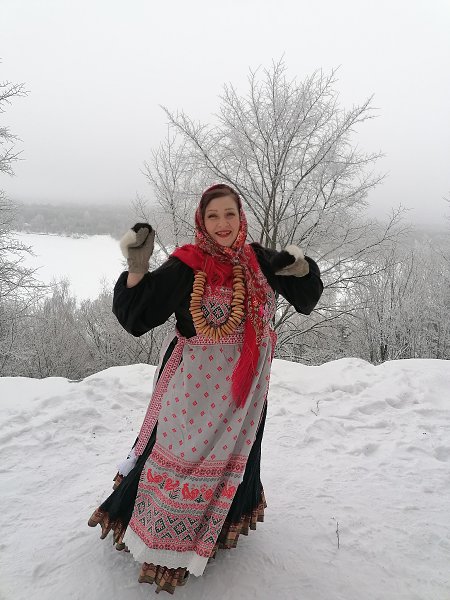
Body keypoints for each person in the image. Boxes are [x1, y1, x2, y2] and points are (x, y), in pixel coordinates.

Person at [88, 183, 323, 594]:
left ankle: (218, 528)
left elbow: (305, 297)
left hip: (245, 393)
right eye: (213, 216)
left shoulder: (258, 261)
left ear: (240, 216)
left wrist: (302, 269)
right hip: (195, 389)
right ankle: (160, 544)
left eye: (229, 214)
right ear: (202, 220)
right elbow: (137, 315)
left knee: (234, 459)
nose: (222, 223)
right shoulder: (187, 264)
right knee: (181, 460)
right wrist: (138, 266)